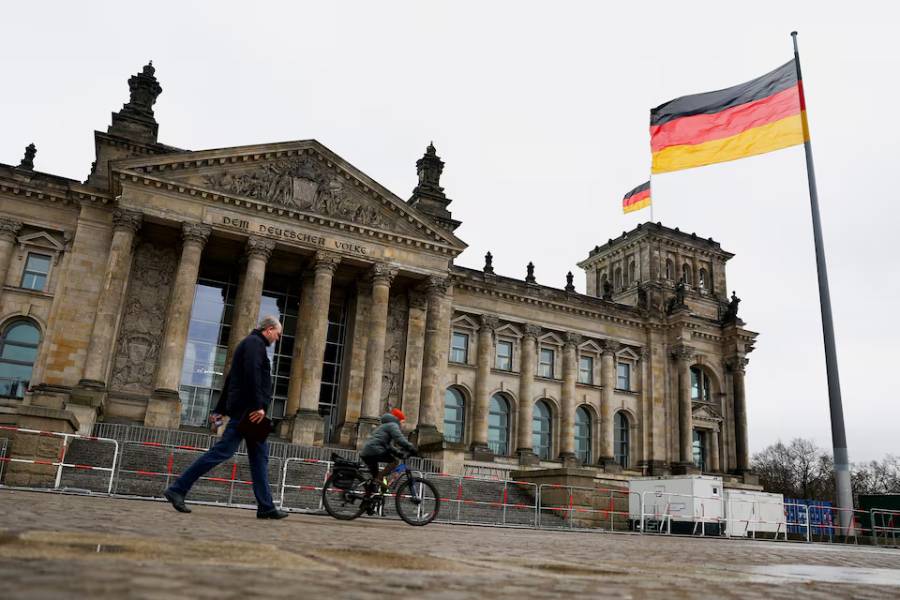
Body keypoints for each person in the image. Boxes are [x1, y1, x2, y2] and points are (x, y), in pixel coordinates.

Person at [163, 315, 288, 519]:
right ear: (269, 329)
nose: (277, 338)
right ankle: (178, 488)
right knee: (222, 452)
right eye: (277, 334)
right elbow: (252, 375)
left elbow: (231, 380)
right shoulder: (254, 344)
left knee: (259, 458)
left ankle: (266, 506)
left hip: (248, 412)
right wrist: (258, 405)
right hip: (249, 412)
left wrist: (219, 409)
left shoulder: (250, 345)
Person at [359, 408, 417, 495]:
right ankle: (378, 480)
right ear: (398, 419)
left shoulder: (385, 426)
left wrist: (398, 453)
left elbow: (388, 446)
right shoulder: (393, 425)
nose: (403, 424)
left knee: (375, 480)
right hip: (374, 450)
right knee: (394, 461)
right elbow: (399, 439)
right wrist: (411, 447)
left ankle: (367, 501)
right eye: (402, 421)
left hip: (367, 452)